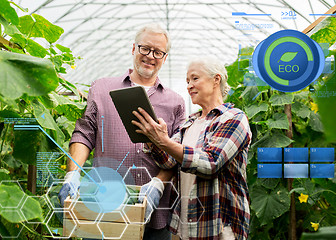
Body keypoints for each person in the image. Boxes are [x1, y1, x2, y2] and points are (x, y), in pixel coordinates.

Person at [58, 23, 186, 240]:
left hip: (154, 215)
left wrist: (158, 184)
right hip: (104, 207)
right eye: (145, 48)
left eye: (158, 52)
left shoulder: (175, 102)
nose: (150, 56)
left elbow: (178, 154)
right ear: (133, 48)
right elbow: (84, 134)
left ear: (165, 57)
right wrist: (73, 173)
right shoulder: (101, 88)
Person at [132, 56, 251, 240]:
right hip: (184, 225)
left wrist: (164, 141)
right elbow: (169, 161)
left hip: (219, 228)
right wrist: (151, 138)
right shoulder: (189, 123)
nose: (189, 86)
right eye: (187, 81)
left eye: (195, 78)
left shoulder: (233, 118)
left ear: (216, 80)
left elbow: (211, 163)